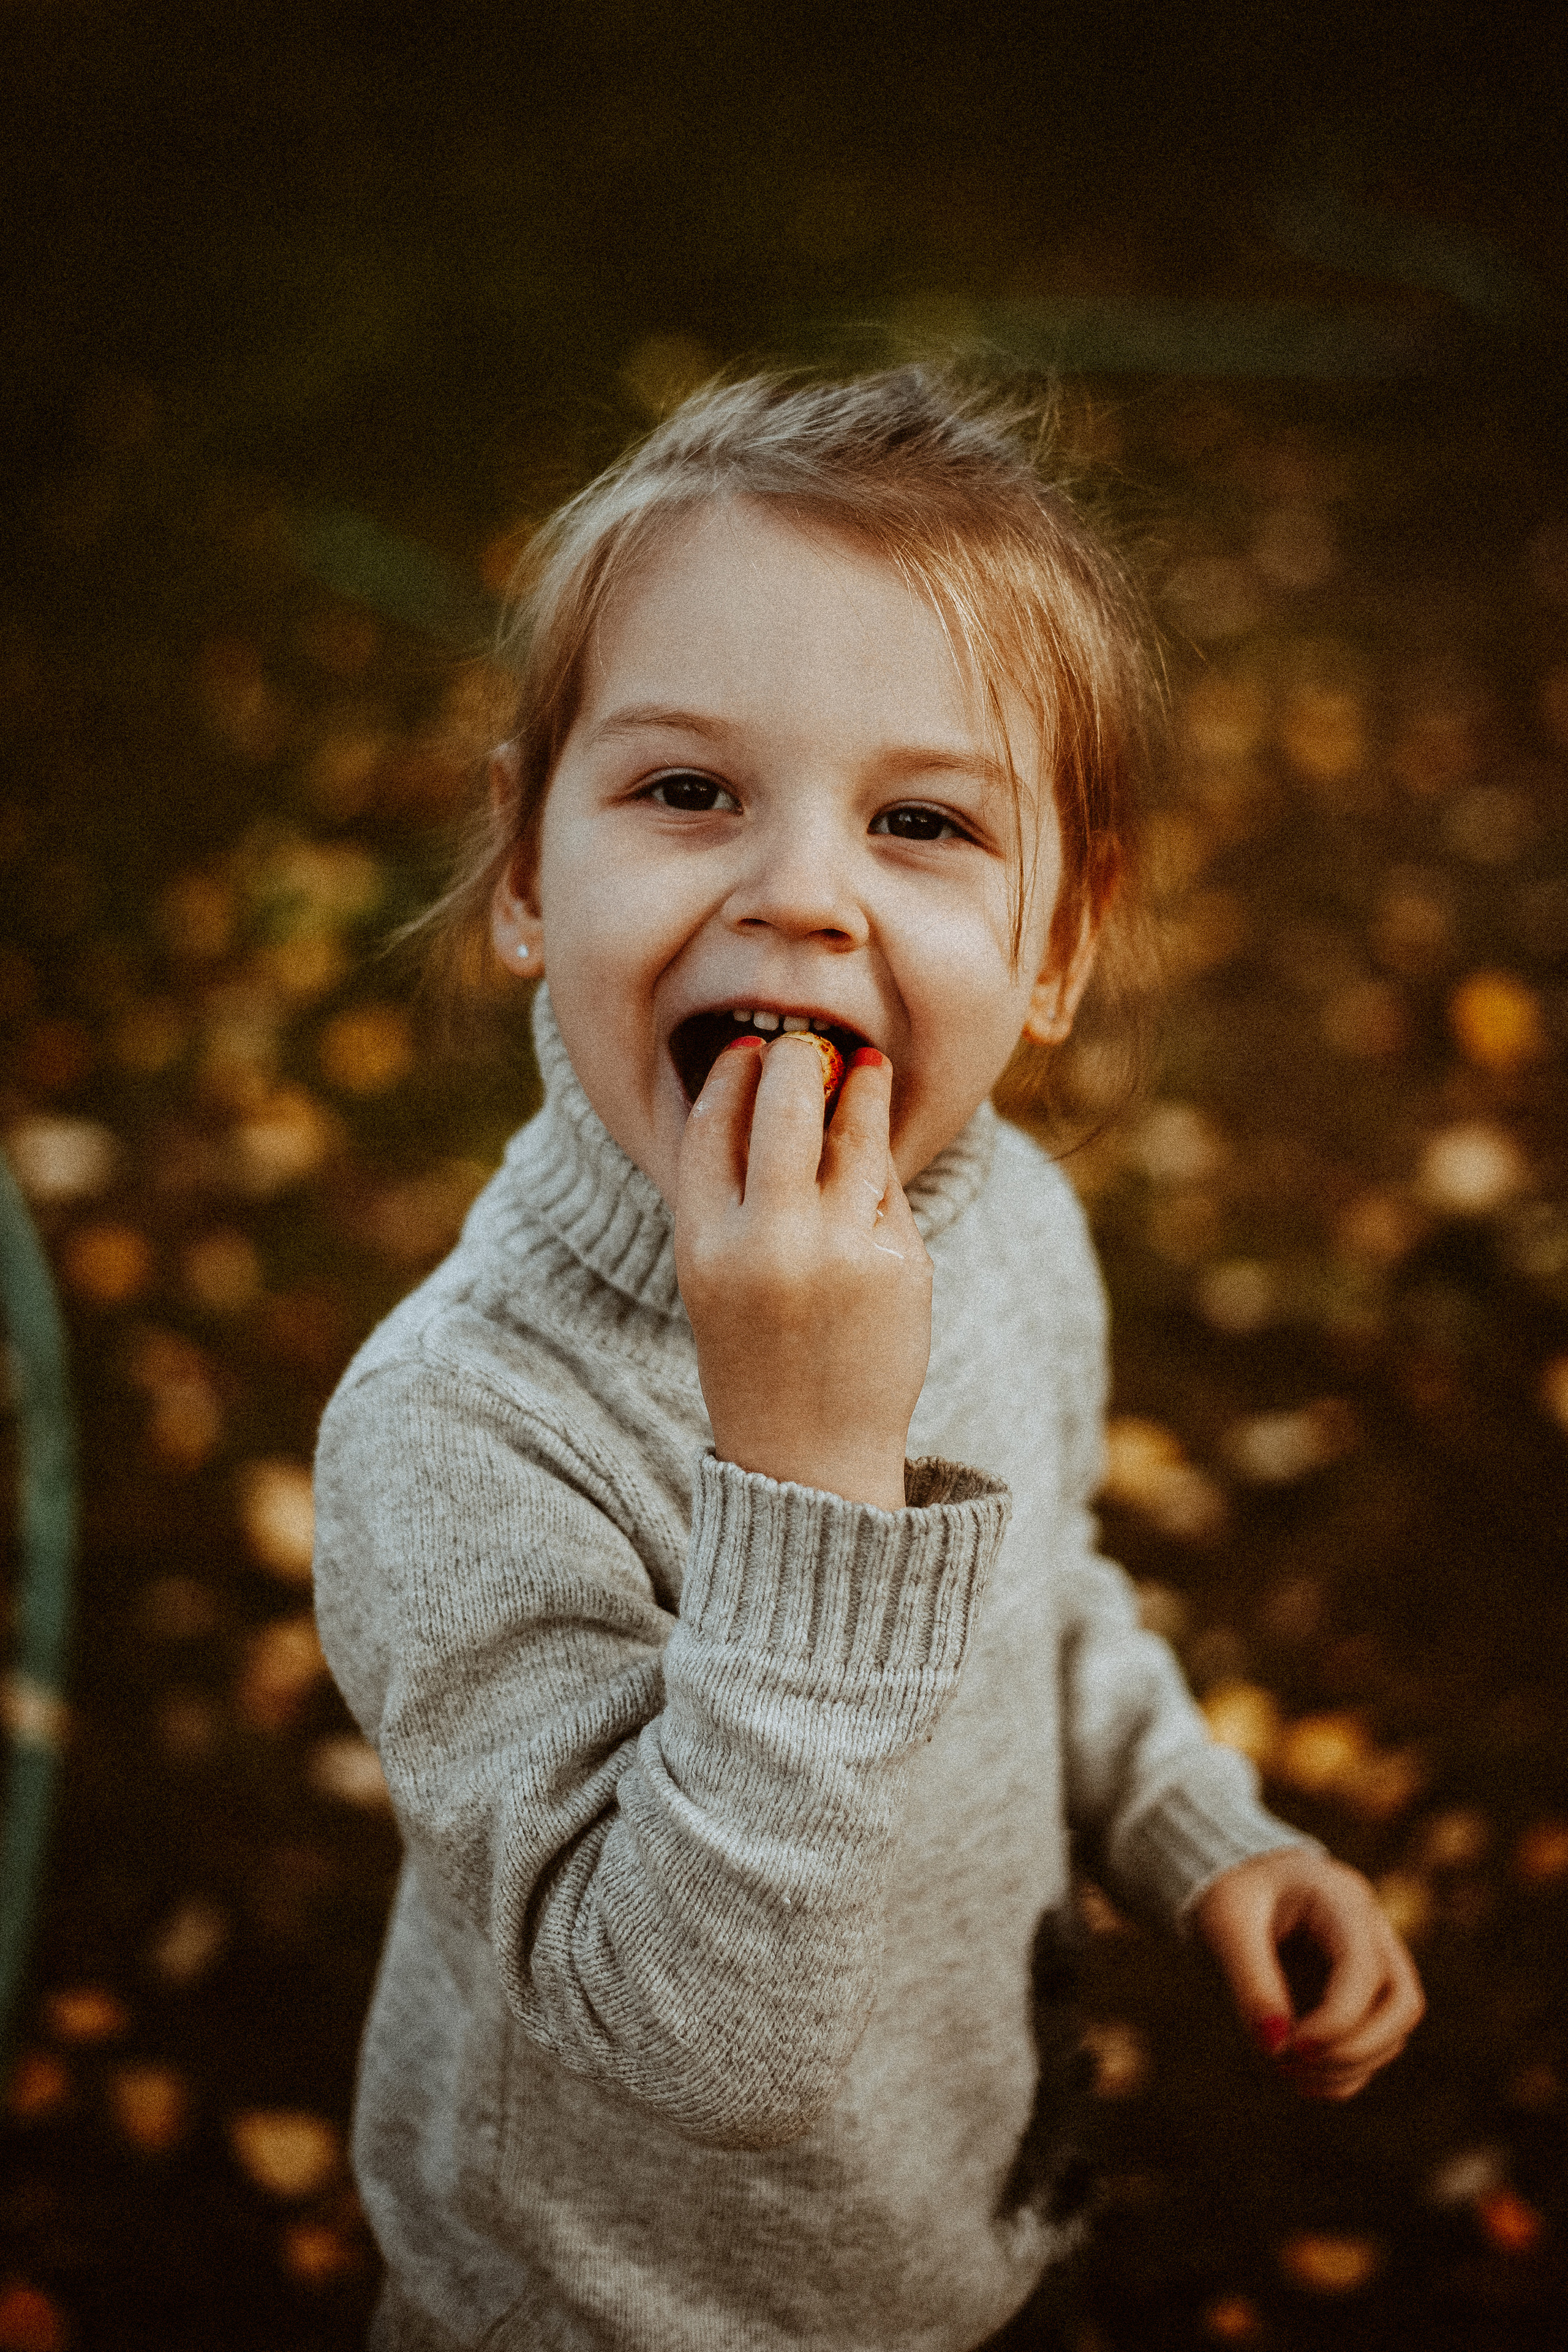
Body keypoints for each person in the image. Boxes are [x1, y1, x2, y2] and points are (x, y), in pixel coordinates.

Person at [312, 371, 1424, 2352]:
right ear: (525, 869)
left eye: (921, 822)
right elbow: (689, 2044)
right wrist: (806, 1474)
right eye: (687, 792)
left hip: (956, 2237)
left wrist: (1197, 1830)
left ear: (1059, 942)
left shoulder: (1012, 1236)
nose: (802, 893)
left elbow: (1044, 1600)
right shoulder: (458, 1432)